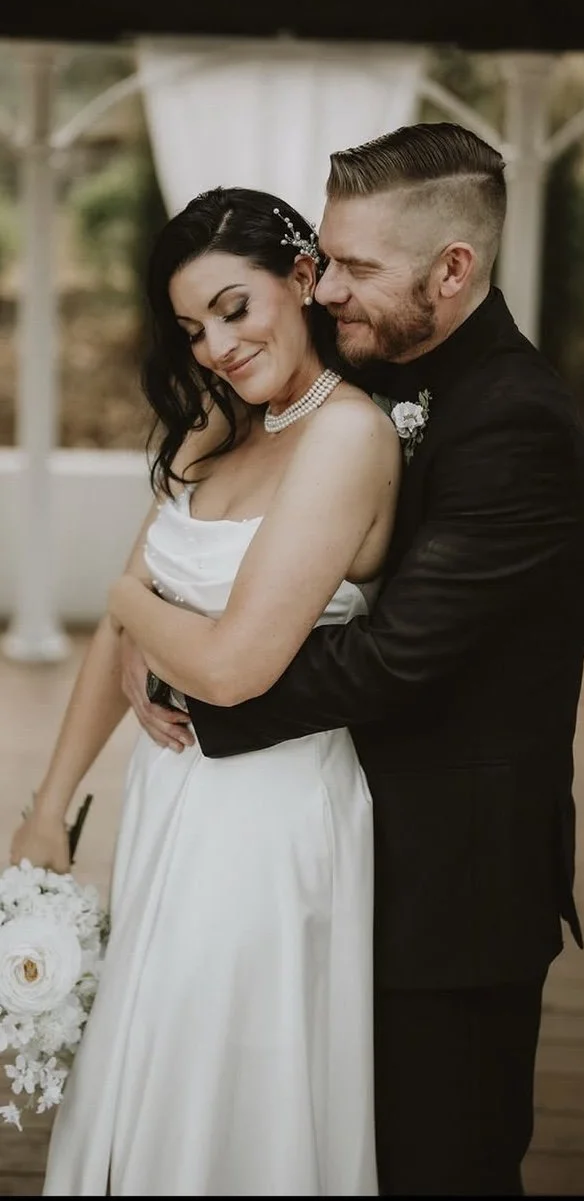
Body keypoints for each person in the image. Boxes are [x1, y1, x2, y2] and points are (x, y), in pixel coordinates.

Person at [121, 123, 584, 1197]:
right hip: (334, 864)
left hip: (450, 900)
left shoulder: (517, 424)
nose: (325, 286)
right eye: (325, 258)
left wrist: (199, 688)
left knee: (441, 1168)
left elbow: (388, 660)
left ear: (453, 269)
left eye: (356, 268)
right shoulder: (377, 369)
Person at [10, 186, 401, 1197]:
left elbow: (233, 665)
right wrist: (51, 811)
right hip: (169, 797)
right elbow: (121, 637)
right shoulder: (212, 432)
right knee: (149, 1059)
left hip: (266, 822)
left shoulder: (347, 438)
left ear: (303, 281)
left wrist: (127, 602)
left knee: (223, 1082)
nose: (218, 346)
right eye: (193, 329)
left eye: (235, 308)